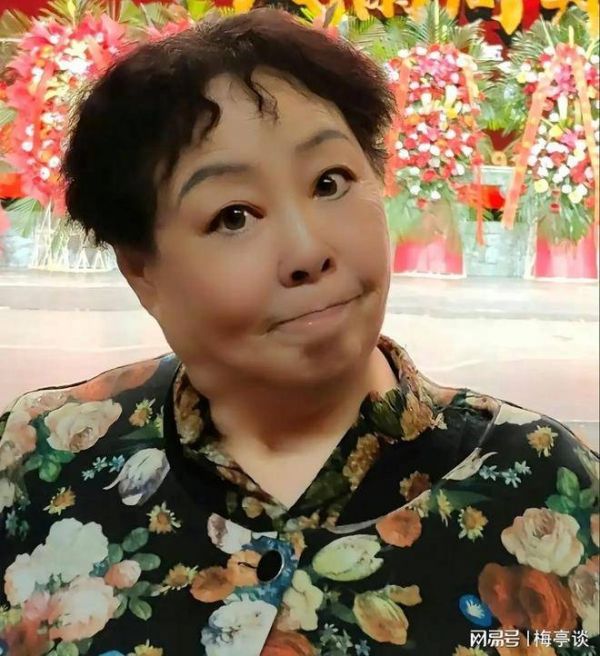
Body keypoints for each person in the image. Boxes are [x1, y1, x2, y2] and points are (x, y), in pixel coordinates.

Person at [0, 9, 598, 656]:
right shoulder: (40, 460)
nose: (308, 252)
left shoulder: (544, 483)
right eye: (234, 216)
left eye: (330, 182)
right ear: (143, 271)